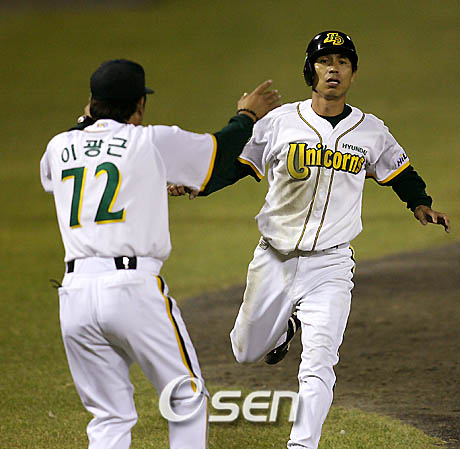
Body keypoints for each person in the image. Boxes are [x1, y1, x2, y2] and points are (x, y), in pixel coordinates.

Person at [168, 31, 451, 449]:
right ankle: (283, 330)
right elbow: (239, 165)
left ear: (353, 74)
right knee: (244, 351)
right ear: (310, 71)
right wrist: (198, 184)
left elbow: (399, 170)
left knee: (319, 364)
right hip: (274, 259)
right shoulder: (279, 122)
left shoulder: (370, 130)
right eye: (324, 61)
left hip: (331, 266)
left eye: (342, 62)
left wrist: (420, 202)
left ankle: (302, 445)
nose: (333, 69)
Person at [40, 58, 280, 449]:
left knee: (109, 416)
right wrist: (247, 115)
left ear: (92, 101)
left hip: (74, 295)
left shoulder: (58, 146)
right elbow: (220, 152)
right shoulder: (151, 141)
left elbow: (63, 173)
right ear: (139, 105)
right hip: (132, 291)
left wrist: (92, 126)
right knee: (185, 396)